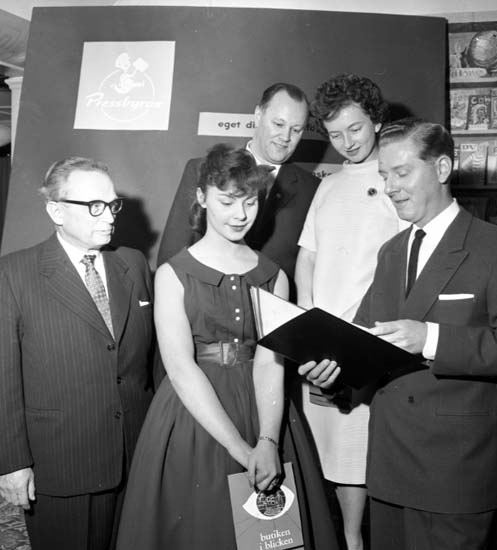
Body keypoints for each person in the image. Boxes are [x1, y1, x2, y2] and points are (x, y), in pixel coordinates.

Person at [299, 118, 497, 550]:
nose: (390, 187)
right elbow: (366, 345)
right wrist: (334, 374)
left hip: (454, 472)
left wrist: (430, 338)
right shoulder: (391, 252)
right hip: (389, 468)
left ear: (443, 168)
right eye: (384, 175)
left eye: (401, 173)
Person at [115, 144, 337, 550]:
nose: (240, 215)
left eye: (250, 202)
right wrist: (241, 450)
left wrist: (267, 443)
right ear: (202, 198)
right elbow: (180, 368)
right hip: (194, 418)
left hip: (264, 412)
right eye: (227, 202)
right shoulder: (173, 274)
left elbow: (270, 364)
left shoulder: (274, 276)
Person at [0, 157, 154, 550]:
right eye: (95, 206)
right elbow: (3, 377)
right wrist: (12, 463)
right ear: (56, 211)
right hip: (61, 465)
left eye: (113, 204)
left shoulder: (133, 263)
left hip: (135, 456)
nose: (110, 216)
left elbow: (149, 363)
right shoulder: (14, 273)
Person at [295, 73, 404, 550]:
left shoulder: (396, 180)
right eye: (336, 134)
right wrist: (307, 320)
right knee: (327, 451)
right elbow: (308, 257)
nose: (347, 143)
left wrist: (361, 333)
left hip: (366, 340)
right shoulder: (329, 185)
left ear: (376, 121)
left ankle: (354, 540)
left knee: (356, 453)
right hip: (321, 339)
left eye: (355, 129)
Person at [156, 82, 319, 284]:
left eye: (296, 130)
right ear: (258, 115)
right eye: (278, 124)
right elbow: (172, 255)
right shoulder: (201, 170)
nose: (285, 137)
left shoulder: (313, 189)